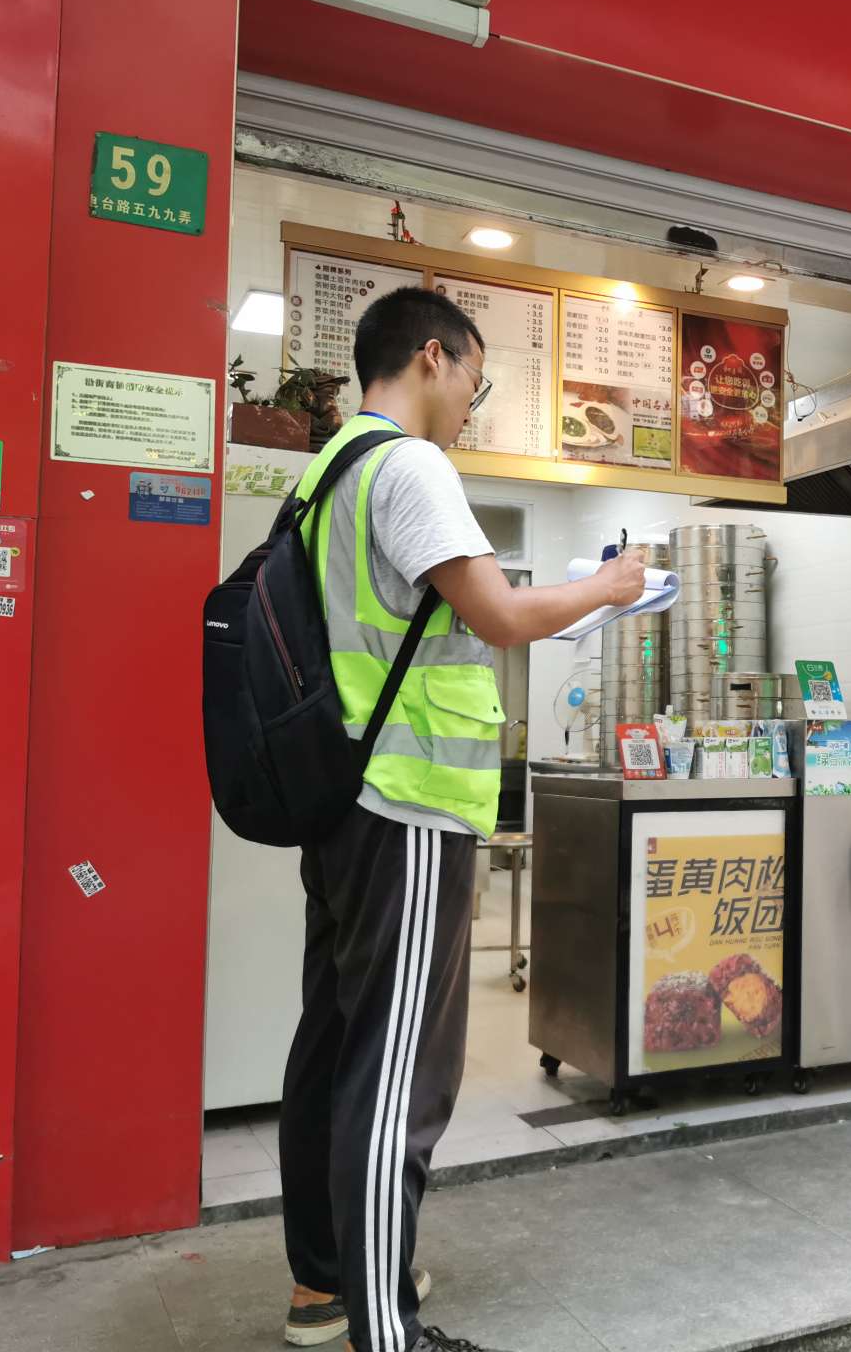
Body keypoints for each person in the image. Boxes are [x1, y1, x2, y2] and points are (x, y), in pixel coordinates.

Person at [276, 287, 646, 1352]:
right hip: (406, 805)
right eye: (475, 381)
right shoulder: (406, 464)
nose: (472, 404)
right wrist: (609, 587)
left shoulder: (325, 471)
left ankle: (326, 1285)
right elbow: (501, 613)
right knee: (399, 1074)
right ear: (432, 357)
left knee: (335, 1049)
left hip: (345, 804)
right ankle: (383, 1328)